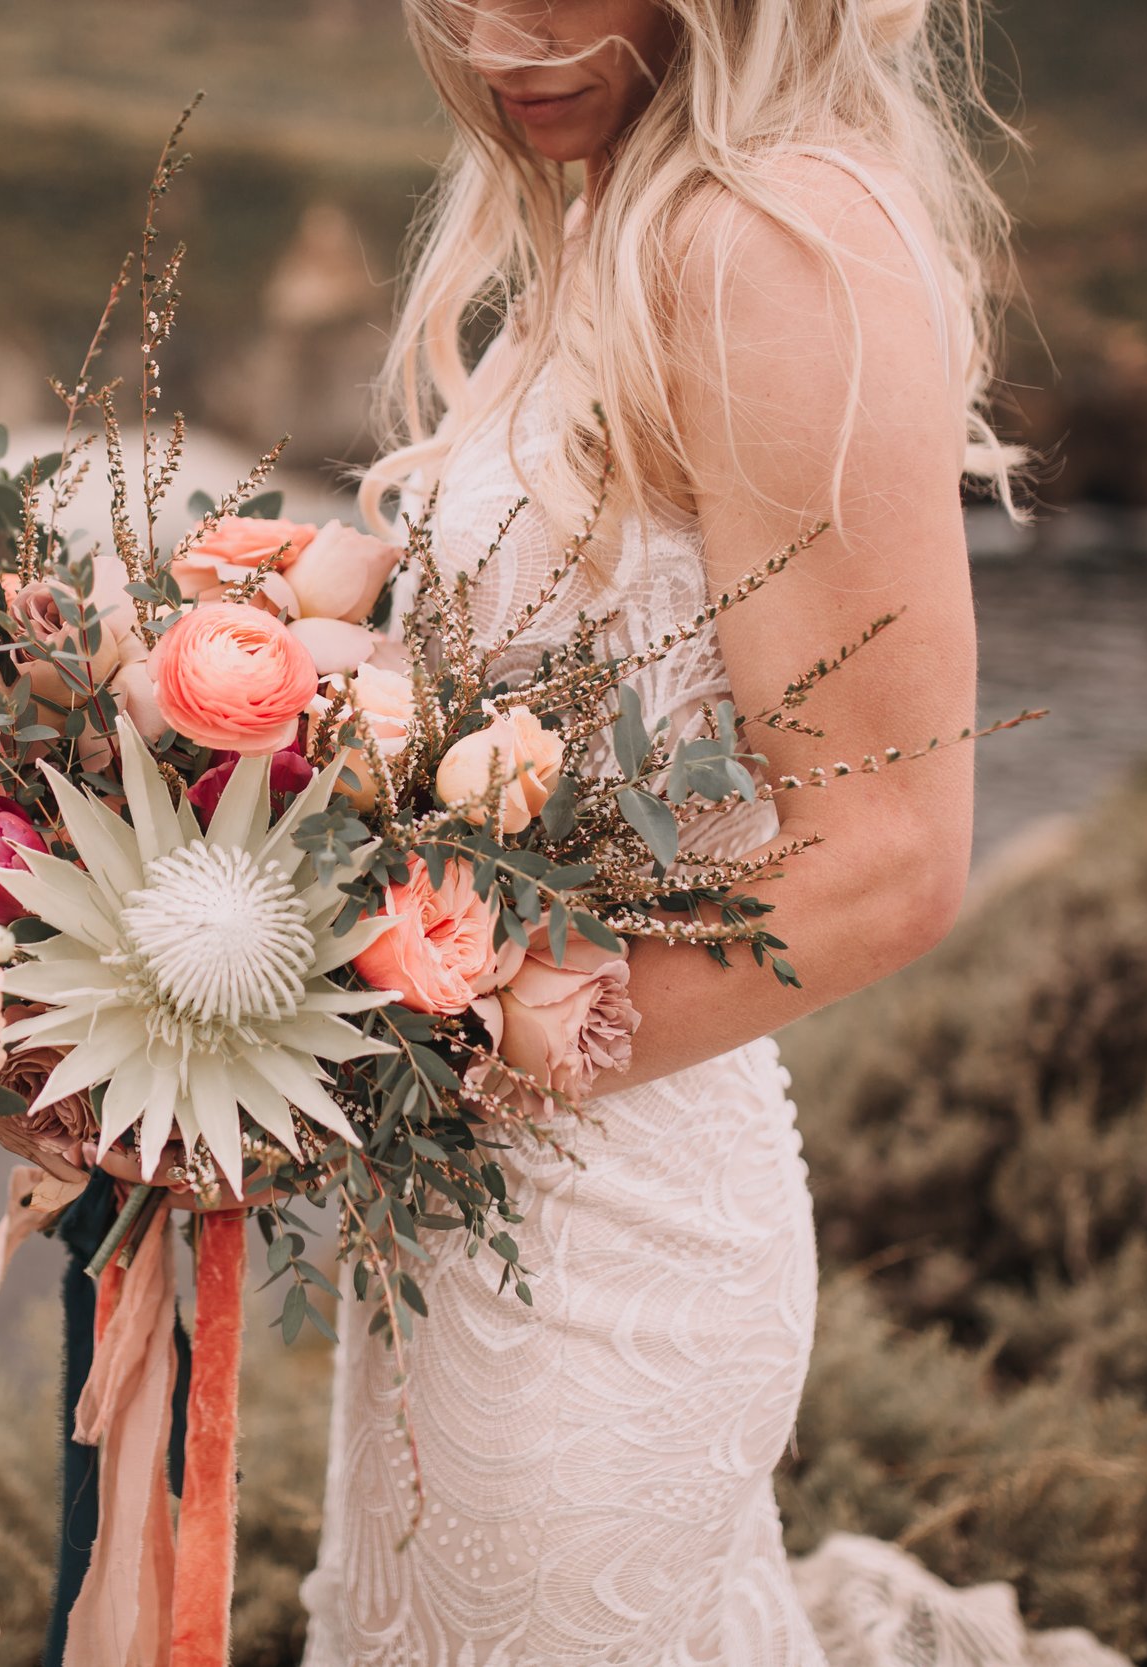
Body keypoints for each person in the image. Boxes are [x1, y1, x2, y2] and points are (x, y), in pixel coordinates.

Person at [302, 1, 1024, 1660]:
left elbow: (890, 857)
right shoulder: (608, 223)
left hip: (607, 1254)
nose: (504, 31)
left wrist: (362, 1076)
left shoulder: (766, 244)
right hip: (461, 1220)